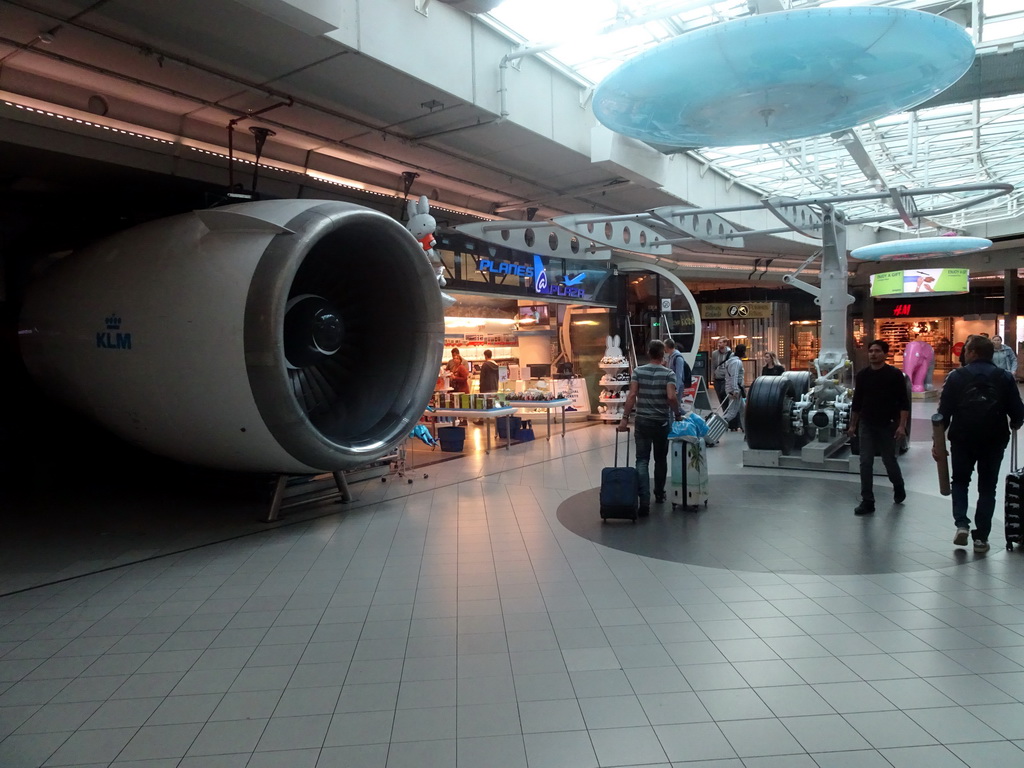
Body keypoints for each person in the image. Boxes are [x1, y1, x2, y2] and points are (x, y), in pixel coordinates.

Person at [934, 335, 1024, 552]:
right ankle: (981, 538)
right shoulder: (1004, 377)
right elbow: (1018, 413)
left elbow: (942, 414)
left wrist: (937, 443)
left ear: (973, 352)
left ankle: (962, 524)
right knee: (987, 487)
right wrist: (1015, 422)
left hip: (963, 437)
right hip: (994, 439)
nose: (964, 354)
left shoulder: (956, 377)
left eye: (966, 350)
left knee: (960, 481)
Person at [617, 340, 681, 516]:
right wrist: (677, 414)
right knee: (660, 459)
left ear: (648, 352)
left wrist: (624, 419)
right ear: (663, 354)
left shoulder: (638, 371)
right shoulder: (669, 373)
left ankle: (643, 499)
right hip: (661, 422)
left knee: (642, 460)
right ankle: (659, 494)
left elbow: (632, 395)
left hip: (642, 421)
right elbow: (671, 397)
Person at [847, 339, 909, 516]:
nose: (873, 354)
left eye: (877, 351)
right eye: (871, 351)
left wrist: (902, 426)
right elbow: (857, 402)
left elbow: (903, 403)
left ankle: (898, 485)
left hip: (887, 424)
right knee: (865, 462)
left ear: (885, 354)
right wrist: (853, 425)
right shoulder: (863, 375)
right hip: (866, 424)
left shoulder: (894, 375)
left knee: (889, 460)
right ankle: (868, 501)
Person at [723, 343, 746, 431]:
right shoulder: (737, 362)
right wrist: (735, 390)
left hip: (731, 388)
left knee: (743, 411)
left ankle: (746, 431)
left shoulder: (731, 361)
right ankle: (710, 429)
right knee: (731, 413)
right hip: (735, 390)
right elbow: (734, 376)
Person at [711, 338, 732, 413]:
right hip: (717, 378)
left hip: (726, 378)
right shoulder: (715, 353)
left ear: (725, 343)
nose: (719, 344)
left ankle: (728, 412)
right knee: (720, 396)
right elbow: (713, 365)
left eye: (721, 342)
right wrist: (712, 377)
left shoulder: (730, 354)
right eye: (718, 343)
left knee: (724, 394)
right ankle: (725, 412)